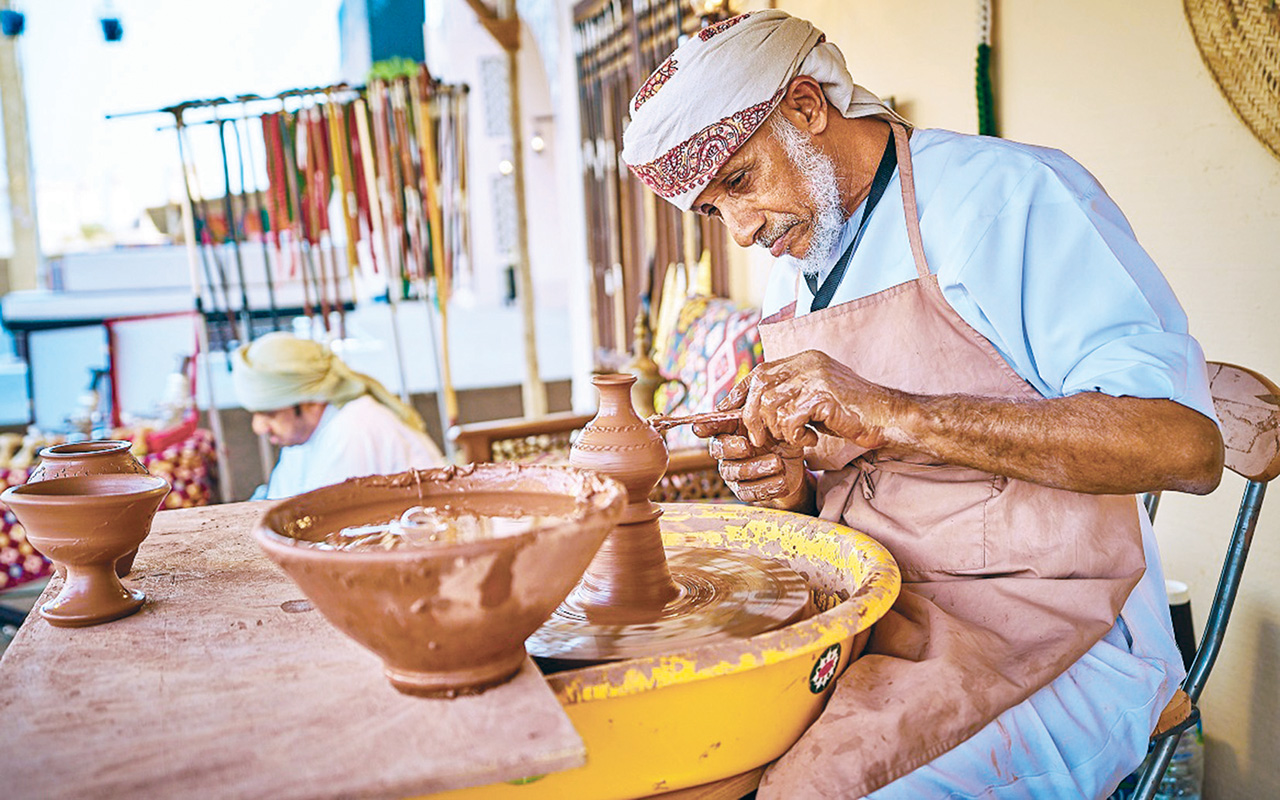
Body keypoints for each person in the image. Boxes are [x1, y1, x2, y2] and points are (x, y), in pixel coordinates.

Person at [621, 10, 1223, 799]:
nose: (739, 230)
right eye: (711, 210)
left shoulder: (1003, 200)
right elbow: (852, 488)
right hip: (878, 609)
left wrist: (894, 412)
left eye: (739, 181)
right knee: (682, 752)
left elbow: (1185, 448)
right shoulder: (793, 266)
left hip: (1056, 628)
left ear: (806, 106)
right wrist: (789, 487)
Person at [231, 332, 446, 500]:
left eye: (270, 414)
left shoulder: (354, 431)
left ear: (312, 400)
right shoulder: (302, 437)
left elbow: (328, 530)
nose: (259, 427)